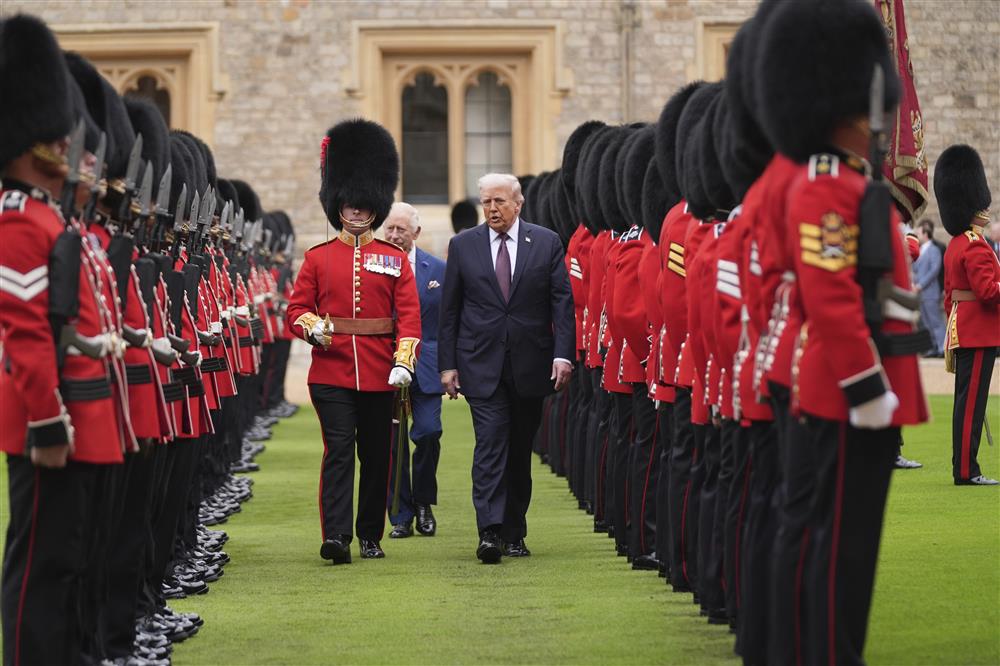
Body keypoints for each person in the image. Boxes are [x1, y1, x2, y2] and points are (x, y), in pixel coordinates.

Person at [756, 1, 929, 662]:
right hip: (844, 390)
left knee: (846, 545)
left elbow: (883, 292)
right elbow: (830, 295)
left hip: (863, 378)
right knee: (838, 549)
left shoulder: (849, 179)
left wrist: (905, 347)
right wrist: (867, 387)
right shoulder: (828, 184)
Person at [286, 119, 421, 562]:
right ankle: (337, 536)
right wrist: (314, 328)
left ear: (375, 206)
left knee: (377, 457)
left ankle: (370, 535)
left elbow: (409, 318)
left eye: (365, 204)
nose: (357, 210)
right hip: (332, 371)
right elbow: (295, 310)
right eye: (350, 203)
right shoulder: (318, 259)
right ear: (337, 203)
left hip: (382, 373)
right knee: (339, 452)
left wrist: (404, 360)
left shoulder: (394, 259)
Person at [438, 172, 574, 563]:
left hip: (530, 365)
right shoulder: (463, 246)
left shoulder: (546, 242)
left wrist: (563, 355)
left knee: (518, 451)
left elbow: (561, 303)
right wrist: (447, 365)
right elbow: (450, 312)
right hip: (481, 365)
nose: (492, 209)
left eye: (499, 202)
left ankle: (515, 531)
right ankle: (490, 532)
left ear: (518, 203)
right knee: (490, 446)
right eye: (486, 202)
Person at [935, 144, 1000, 486]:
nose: (985, 207)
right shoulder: (975, 245)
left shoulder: (958, 243)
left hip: (966, 329)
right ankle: (965, 470)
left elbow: (949, 297)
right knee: (971, 406)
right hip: (979, 332)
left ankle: (965, 467)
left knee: (968, 405)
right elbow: (988, 292)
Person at [383, 202, 446, 538]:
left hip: (427, 366)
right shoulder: (371, 267)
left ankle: (423, 501)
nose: (394, 236)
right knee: (391, 443)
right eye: (389, 229)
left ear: (416, 233)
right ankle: (401, 514)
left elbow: (449, 322)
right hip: (384, 365)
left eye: (401, 230)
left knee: (428, 432)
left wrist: (452, 366)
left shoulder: (437, 270)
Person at [914, 217, 946, 356]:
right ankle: (933, 347)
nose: (917, 236)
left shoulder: (934, 250)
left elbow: (934, 270)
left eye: (919, 233)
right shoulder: (920, 249)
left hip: (930, 291)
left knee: (936, 321)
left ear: (926, 233)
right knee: (926, 322)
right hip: (921, 292)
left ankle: (942, 348)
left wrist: (920, 285)